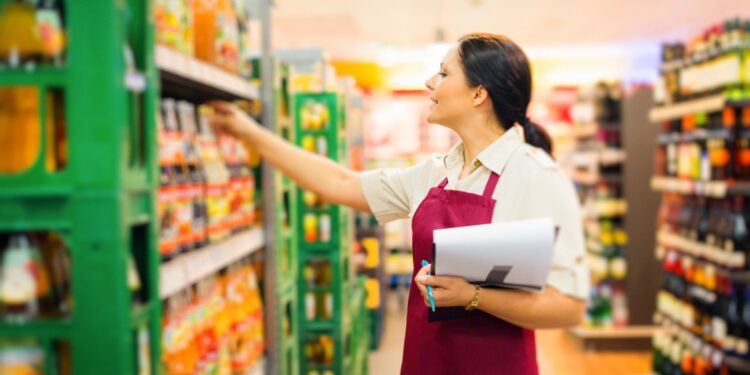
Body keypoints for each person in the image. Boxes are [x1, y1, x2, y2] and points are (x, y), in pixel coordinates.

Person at [207, 33, 588, 375]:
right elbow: (340, 183)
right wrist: (248, 132)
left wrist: (473, 297)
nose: (429, 83)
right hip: (426, 359)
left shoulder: (536, 176)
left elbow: (568, 306)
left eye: (442, 73)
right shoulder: (435, 173)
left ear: (478, 94)